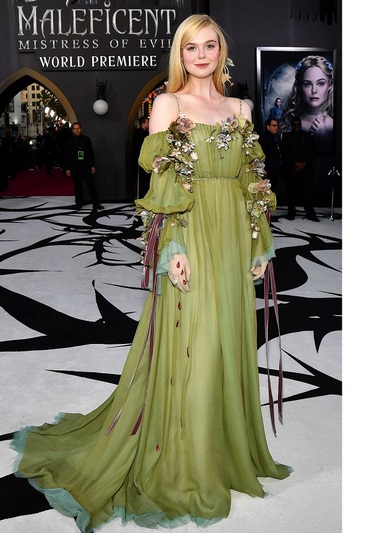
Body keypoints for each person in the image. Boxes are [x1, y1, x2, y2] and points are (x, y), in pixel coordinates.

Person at [10, 14, 291, 533]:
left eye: (210, 46)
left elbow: (252, 182)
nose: (201, 55)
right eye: (191, 47)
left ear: (222, 52)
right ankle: (187, 457)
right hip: (191, 230)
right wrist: (172, 248)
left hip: (234, 233)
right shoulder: (167, 105)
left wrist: (261, 243)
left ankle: (223, 446)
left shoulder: (241, 109)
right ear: (179, 54)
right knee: (194, 340)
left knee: (229, 337)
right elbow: (161, 187)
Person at [281, 55, 334, 153]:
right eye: (307, 84)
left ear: (330, 85)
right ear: (300, 86)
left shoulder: (335, 125)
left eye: (320, 83)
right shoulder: (289, 123)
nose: (314, 90)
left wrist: (326, 139)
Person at [281, 116, 319, 221]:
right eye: (294, 125)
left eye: (298, 124)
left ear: (300, 125)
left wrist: (304, 163)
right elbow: (285, 152)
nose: (296, 126)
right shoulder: (286, 137)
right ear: (291, 125)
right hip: (292, 169)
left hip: (306, 169)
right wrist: (295, 163)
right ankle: (291, 213)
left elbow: (312, 151)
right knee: (291, 193)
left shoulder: (308, 136)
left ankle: (310, 214)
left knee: (307, 193)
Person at [64, 122, 103, 210]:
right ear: (72, 130)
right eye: (75, 129)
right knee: (77, 187)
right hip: (74, 167)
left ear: (81, 129)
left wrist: (92, 165)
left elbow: (91, 153)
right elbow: (67, 155)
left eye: (78, 128)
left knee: (91, 186)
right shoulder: (69, 141)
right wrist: (67, 168)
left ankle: (96, 204)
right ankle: (78, 204)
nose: (77, 130)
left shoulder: (86, 139)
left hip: (86, 166)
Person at [259, 117, 281, 190]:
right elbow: (262, 154)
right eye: (273, 125)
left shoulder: (274, 138)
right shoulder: (264, 138)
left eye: (277, 125)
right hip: (268, 172)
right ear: (268, 127)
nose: (276, 127)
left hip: (274, 171)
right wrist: (264, 169)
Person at [132, 115, 150, 198]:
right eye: (147, 122)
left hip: (145, 159)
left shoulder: (145, 133)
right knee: (142, 178)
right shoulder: (139, 134)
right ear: (143, 123)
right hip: (141, 159)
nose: (148, 124)